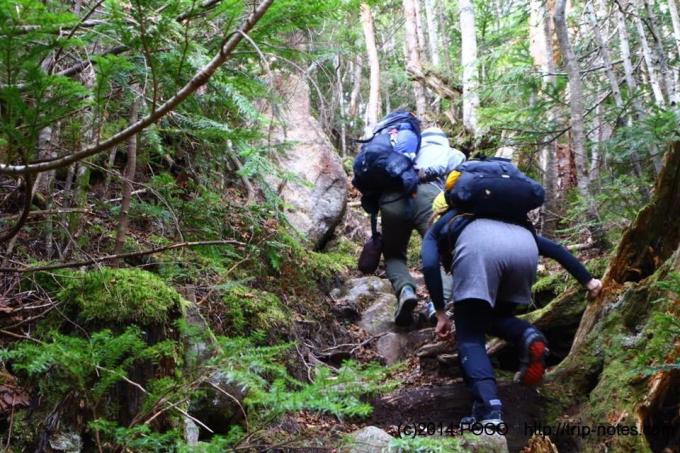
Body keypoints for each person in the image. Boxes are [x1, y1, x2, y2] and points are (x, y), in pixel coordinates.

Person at [421, 209, 602, 426]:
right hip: (524, 251)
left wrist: (440, 312)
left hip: (480, 252)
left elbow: (430, 264)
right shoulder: (508, 217)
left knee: (470, 336)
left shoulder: (443, 225)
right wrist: (588, 281)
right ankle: (528, 335)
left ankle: (489, 411)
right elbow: (554, 249)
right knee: (493, 318)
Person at [382, 126, 465, 326]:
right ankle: (436, 307)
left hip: (392, 198)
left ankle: (406, 290)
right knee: (444, 254)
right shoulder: (451, 153)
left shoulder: (403, 148)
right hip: (430, 198)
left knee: (393, 255)